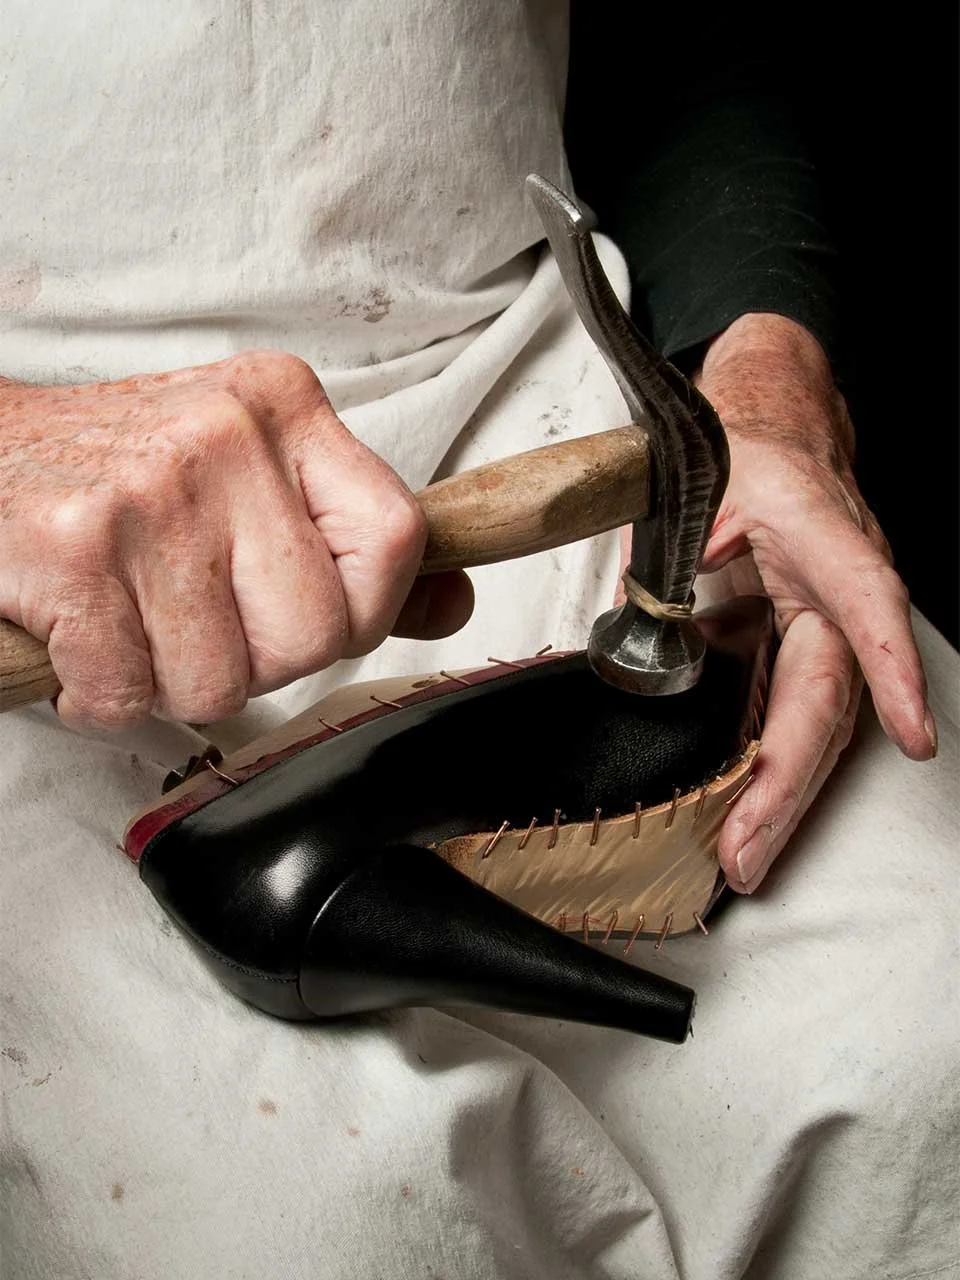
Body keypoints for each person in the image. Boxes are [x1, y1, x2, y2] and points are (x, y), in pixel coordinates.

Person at [1, 4, 956, 1277]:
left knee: (927, 1043)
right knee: (305, 1227)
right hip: (47, 543)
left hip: (566, 404)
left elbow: (686, 43)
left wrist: (764, 372)